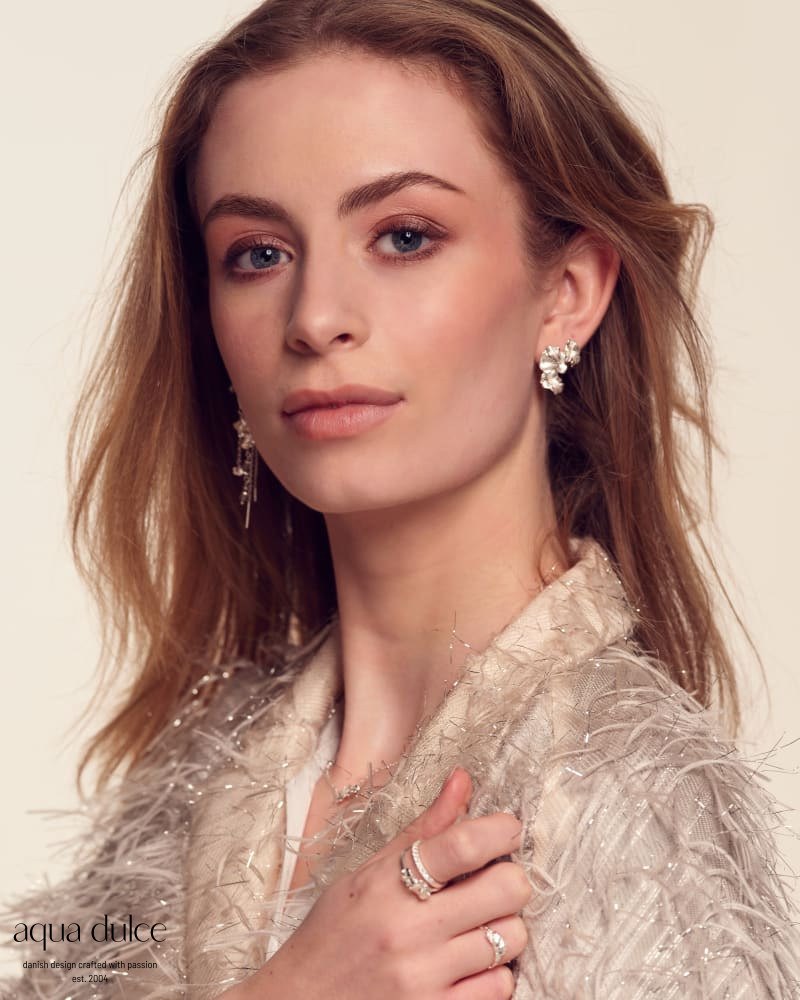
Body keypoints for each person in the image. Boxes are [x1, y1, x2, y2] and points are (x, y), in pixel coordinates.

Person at [2, 0, 798, 997]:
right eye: (257, 253)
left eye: (404, 236)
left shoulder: (629, 803)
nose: (315, 317)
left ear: (567, 291)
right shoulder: (189, 776)